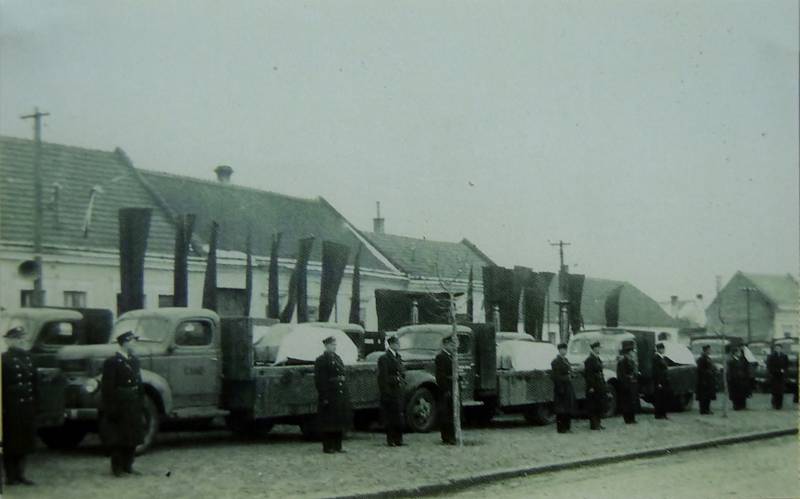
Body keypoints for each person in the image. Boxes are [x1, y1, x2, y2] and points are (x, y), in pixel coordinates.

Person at [100, 331, 145, 477]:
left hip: (133, 402)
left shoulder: (134, 360)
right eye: (132, 341)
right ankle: (117, 468)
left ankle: (128, 465)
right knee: (119, 436)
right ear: (125, 342)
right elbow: (108, 387)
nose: (135, 344)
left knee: (132, 435)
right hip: (120, 403)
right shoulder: (112, 362)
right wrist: (111, 407)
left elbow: (139, 382)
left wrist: (140, 401)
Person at [2, 326, 37, 486]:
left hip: (26, 406)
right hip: (11, 407)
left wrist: (37, 404)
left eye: (22, 337)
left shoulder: (28, 358)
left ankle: (20, 474)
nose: (21, 340)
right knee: (12, 442)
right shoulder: (4, 359)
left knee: (24, 441)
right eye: (17, 338)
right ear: (8, 340)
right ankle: (10, 476)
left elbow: (34, 383)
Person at [314, 336, 351, 454]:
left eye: (335, 344)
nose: (334, 347)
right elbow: (320, 380)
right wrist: (324, 396)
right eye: (332, 345)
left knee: (338, 420)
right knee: (329, 422)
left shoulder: (338, 358)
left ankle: (338, 445)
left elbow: (342, 374)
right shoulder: (321, 360)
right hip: (330, 393)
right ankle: (328, 446)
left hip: (339, 393)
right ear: (326, 346)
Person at [377, 335, 406, 446]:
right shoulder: (384, 358)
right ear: (392, 344)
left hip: (398, 390)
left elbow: (401, 370)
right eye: (397, 343)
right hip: (390, 391)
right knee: (391, 417)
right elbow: (383, 377)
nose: (399, 346)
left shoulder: (398, 356)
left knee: (399, 415)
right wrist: (386, 391)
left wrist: (402, 378)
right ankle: (391, 439)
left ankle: (399, 439)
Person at [435, 335, 458, 445]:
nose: (453, 346)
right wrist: (445, 389)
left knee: (452, 412)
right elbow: (440, 375)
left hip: (453, 388)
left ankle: (451, 435)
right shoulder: (441, 357)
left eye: (453, 344)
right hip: (446, 389)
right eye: (450, 344)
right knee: (446, 413)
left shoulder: (451, 356)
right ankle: (447, 436)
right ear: (445, 344)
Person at [550, 342, 575, 433]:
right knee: (561, 409)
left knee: (568, 408)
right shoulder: (555, 362)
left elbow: (569, 371)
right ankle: (561, 428)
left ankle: (567, 427)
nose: (564, 351)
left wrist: (571, 375)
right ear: (559, 350)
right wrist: (565, 378)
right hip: (560, 388)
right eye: (562, 349)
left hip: (568, 386)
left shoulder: (566, 360)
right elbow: (555, 376)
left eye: (565, 349)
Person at [583, 340, 606, 430]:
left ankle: (598, 422)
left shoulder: (597, 358)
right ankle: (594, 424)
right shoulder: (589, 360)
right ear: (594, 348)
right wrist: (591, 386)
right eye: (598, 348)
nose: (599, 349)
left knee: (599, 404)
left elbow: (600, 372)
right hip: (593, 385)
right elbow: (588, 374)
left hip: (599, 384)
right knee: (593, 405)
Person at [616, 340, 639, 424]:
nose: (632, 353)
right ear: (627, 352)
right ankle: (628, 419)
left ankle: (632, 418)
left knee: (632, 401)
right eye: (630, 351)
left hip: (631, 383)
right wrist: (625, 383)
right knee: (627, 402)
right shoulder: (622, 362)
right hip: (626, 384)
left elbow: (633, 371)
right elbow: (621, 374)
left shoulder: (631, 361)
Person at [766, 343, 789, 410]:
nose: (778, 349)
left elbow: (786, 365)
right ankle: (775, 403)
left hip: (781, 376)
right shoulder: (771, 356)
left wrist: (784, 371)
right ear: (775, 349)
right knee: (775, 391)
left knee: (781, 391)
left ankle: (780, 404)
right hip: (774, 376)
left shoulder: (784, 356)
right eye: (777, 348)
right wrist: (773, 372)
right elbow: (769, 366)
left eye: (779, 348)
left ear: (781, 349)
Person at [695, 344, 717, 415]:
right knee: (703, 396)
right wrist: (708, 372)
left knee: (708, 396)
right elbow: (700, 370)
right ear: (705, 350)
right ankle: (703, 410)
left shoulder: (708, 358)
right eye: (709, 350)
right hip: (703, 381)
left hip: (708, 380)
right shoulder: (701, 359)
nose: (710, 351)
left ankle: (707, 409)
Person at [726, 346, 749, 410]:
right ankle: (736, 406)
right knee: (735, 394)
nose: (739, 353)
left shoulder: (741, 359)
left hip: (741, 379)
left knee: (741, 393)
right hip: (735, 379)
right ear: (735, 353)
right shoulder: (731, 360)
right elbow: (730, 371)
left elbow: (744, 368)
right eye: (738, 352)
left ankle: (742, 405)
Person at [652, 342, 671, 420]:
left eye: (663, 348)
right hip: (659, 381)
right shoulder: (656, 358)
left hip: (664, 381)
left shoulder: (662, 358)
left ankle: (663, 414)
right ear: (658, 349)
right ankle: (658, 414)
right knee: (659, 398)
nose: (663, 350)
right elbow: (656, 371)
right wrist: (659, 382)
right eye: (662, 348)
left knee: (664, 398)